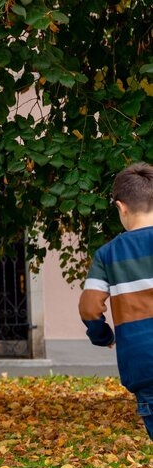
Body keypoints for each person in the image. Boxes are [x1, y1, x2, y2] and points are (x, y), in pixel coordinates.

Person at [79, 162, 153, 441]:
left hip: (144, 366)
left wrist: (102, 335)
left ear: (121, 208)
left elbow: (89, 307)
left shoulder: (108, 254)